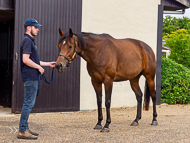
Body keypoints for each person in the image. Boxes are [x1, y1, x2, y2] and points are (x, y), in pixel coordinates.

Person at [17, 18, 55, 139]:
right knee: (28, 103)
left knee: (28, 103)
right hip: (30, 77)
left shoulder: (29, 41)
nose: (38, 29)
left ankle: (25, 127)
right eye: (36, 27)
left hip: (31, 76)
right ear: (29, 28)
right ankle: (22, 131)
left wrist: (48, 64)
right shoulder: (27, 41)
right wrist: (38, 67)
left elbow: (34, 60)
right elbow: (25, 59)